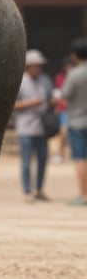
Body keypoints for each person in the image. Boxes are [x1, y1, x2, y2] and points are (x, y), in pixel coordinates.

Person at [13, 49, 54, 202]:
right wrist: (31, 103)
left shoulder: (45, 80)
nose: (39, 68)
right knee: (26, 161)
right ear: (28, 66)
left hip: (43, 127)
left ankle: (39, 189)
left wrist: (52, 102)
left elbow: (50, 98)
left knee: (43, 160)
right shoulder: (21, 82)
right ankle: (28, 190)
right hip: (26, 128)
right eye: (36, 65)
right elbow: (13, 105)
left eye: (40, 65)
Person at [61, 37, 87, 206]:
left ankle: (84, 194)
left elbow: (65, 94)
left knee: (80, 158)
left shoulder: (74, 74)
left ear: (75, 56)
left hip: (78, 122)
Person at [52, 56, 74, 162]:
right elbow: (58, 93)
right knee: (63, 133)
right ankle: (61, 154)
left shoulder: (77, 77)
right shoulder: (60, 77)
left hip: (76, 109)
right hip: (64, 109)